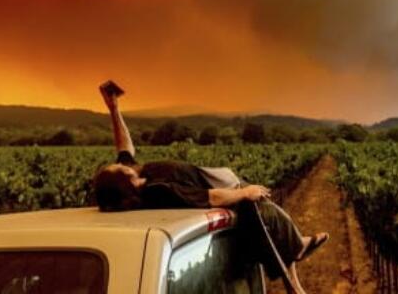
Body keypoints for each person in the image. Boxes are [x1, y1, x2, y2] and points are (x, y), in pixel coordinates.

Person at [91, 82, 328, 291]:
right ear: (124, 182)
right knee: (265, 213)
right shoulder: (157, 190)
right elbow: (210, 197)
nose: (119, 164)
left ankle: (296, 268)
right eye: (117, 169)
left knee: (268, 220)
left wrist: (114, 109)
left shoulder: (138, 176)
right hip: (226, 188)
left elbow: (124, 146)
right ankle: (298, 251)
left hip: (223, 182)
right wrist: (244, 192)